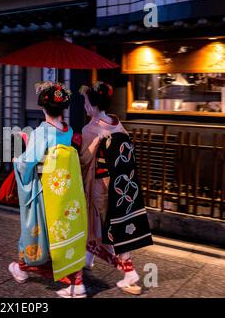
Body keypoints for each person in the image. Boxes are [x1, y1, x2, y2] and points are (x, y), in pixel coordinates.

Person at [8, 81, 88, 298]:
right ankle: (75, 278)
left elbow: (31, 160)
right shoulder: (67, 130)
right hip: (65, 191)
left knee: (37, 229)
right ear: (63, 108)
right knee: (65, 229)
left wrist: (18, 160)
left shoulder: (42, 131)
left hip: (46, 191)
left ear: (43, 107)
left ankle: (25, 267)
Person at [79, 81, 153, 295]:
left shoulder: (89, 129)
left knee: (108, 227)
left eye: (85, 101)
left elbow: (84, 160)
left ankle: (130, 272)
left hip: (100, 186)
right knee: (106, 224)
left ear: (92, 105)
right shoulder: (115, 123)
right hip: (120, 185)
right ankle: (88, 257)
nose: (84, 105)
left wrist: (92, 146)